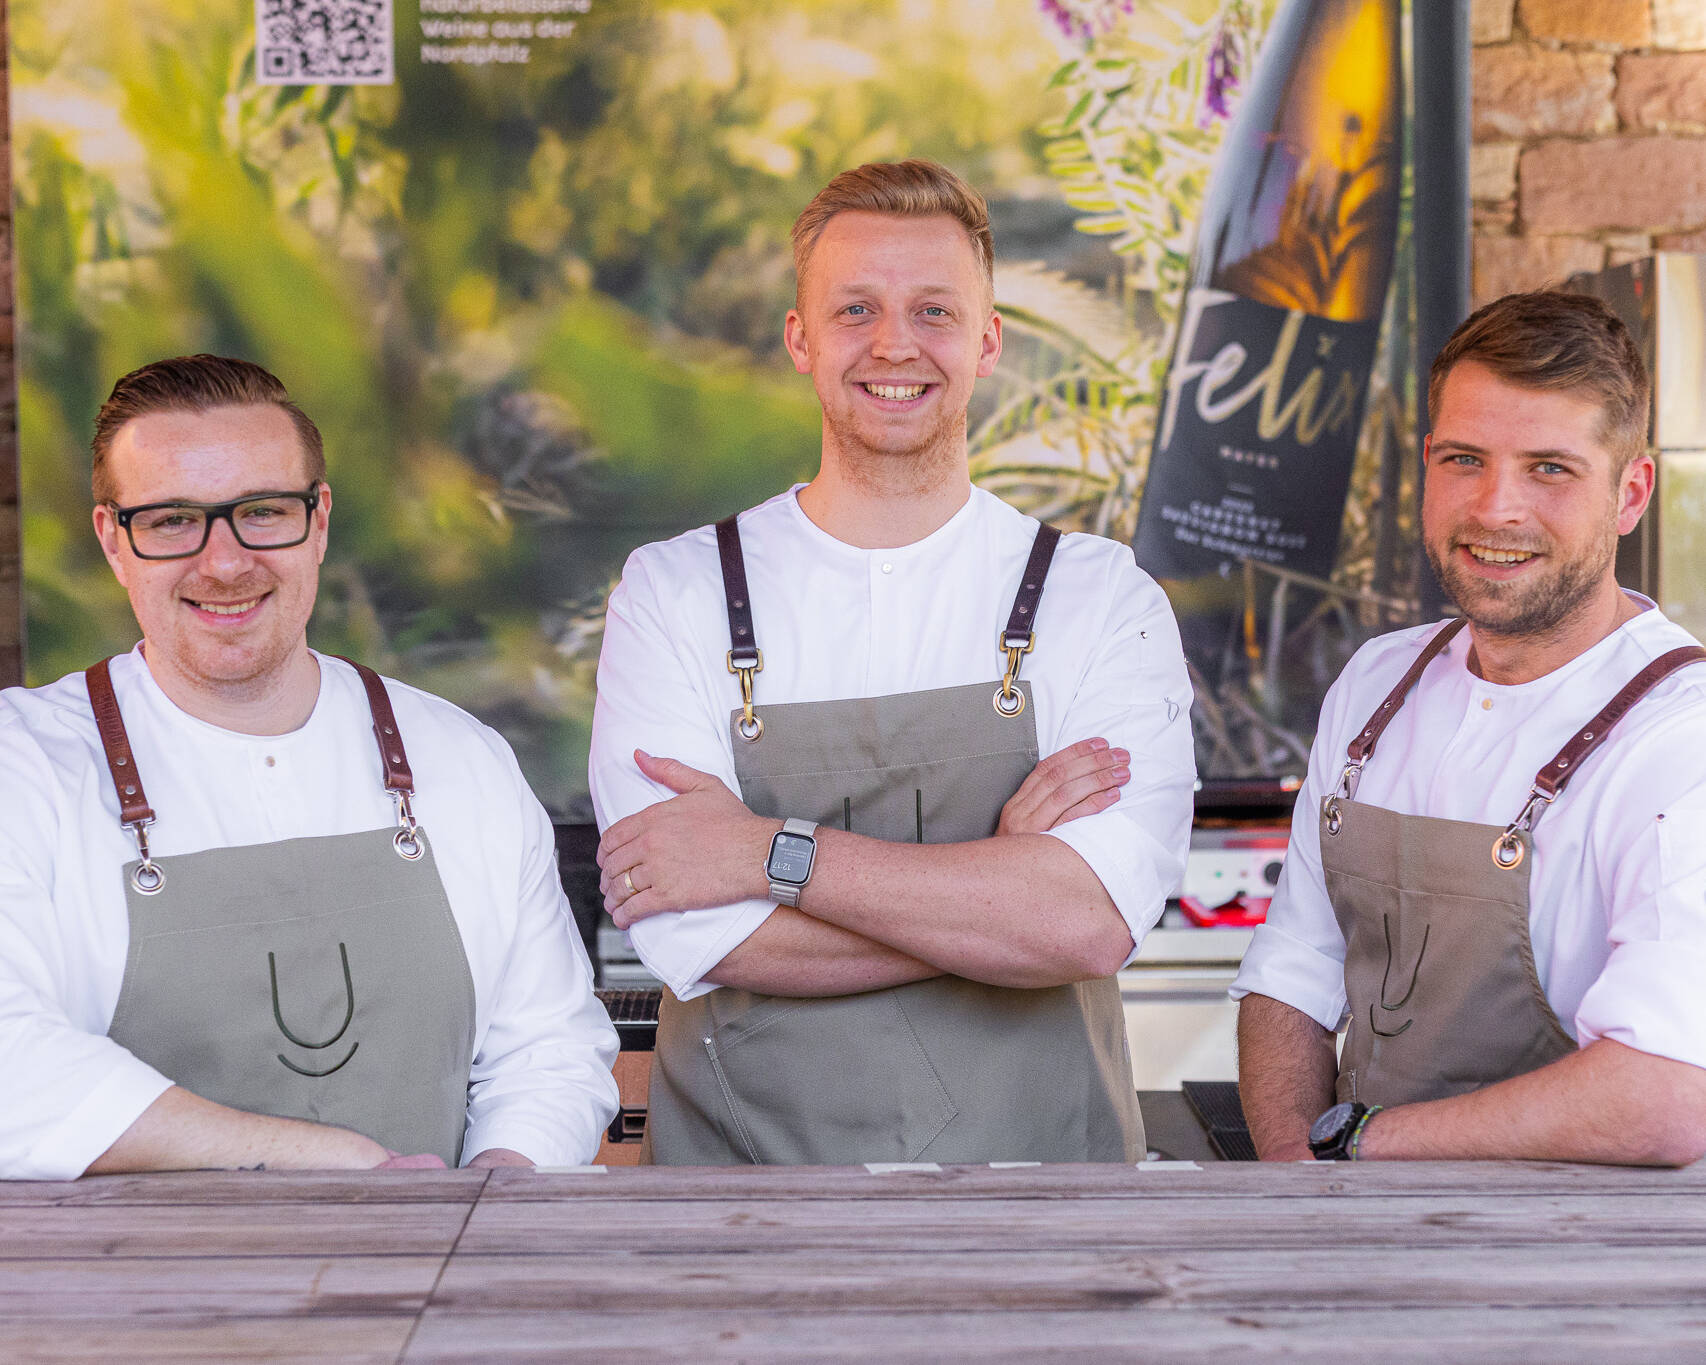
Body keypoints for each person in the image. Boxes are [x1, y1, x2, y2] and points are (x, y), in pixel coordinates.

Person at [589, 160, 1195, 1165]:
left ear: (988, 341)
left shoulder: (1101, 598)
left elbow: (1086, 924)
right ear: (800, 339)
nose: (894, 344)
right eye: (855, 309)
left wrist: (765, 853)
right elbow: (698, 934)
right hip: (744, 1202)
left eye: (934, 311)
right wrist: (995, 894)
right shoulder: (674, 593)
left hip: (1043, 1195)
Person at [0, 355, 618, 1180]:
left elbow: (550, 1048)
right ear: (114, 541)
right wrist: (333, 1164)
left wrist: (490, 1193)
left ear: (319, 521)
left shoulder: (459, 757)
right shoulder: (25, 765)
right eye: (173, 520)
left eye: (262, 511)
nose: (225, 563)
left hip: (432, 1254)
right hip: (126, 1268)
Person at [1233, 291, 1706, 1166]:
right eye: (1465, 459)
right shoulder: (1377, 684)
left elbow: (1666, 1092)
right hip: (1350, 1223)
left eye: (1550, 469)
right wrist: (1300, 1183)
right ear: (1427, 463)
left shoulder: (1681, 739)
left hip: (1585, 1245)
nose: (1495, 508)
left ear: (1631, 492)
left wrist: (1358, 1144)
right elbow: (1293, 973)